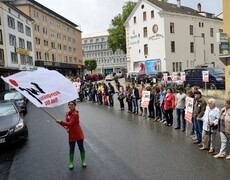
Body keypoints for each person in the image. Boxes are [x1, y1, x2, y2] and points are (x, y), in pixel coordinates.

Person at [55, 101, 86, 169]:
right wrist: (67, 128)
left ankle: (83, 160)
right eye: (69, 105)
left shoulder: (75, 114)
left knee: (81, 147)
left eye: (72, 105)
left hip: (78, 134)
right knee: (71, 149)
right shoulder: (67, 114)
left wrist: (61, 122)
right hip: (71, 134)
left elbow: (71, 123)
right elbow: (68, 123)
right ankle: (71, 162)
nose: (70, 106)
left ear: (75, 105)